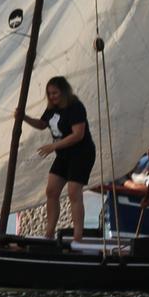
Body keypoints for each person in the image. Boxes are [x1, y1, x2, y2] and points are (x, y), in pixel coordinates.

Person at [25, 77, 95, 239]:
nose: (52, 97)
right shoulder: (52, 109)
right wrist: (25, 118)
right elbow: (43, 124)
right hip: (64, 155)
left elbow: (78, 135)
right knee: (51, 191)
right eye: (49, 94)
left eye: (55, 93)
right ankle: (49, 232)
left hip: (81, 154)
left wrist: (53, 147)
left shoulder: (75, 107)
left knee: (73, 192)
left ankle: (78, 235)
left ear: (63, 91)